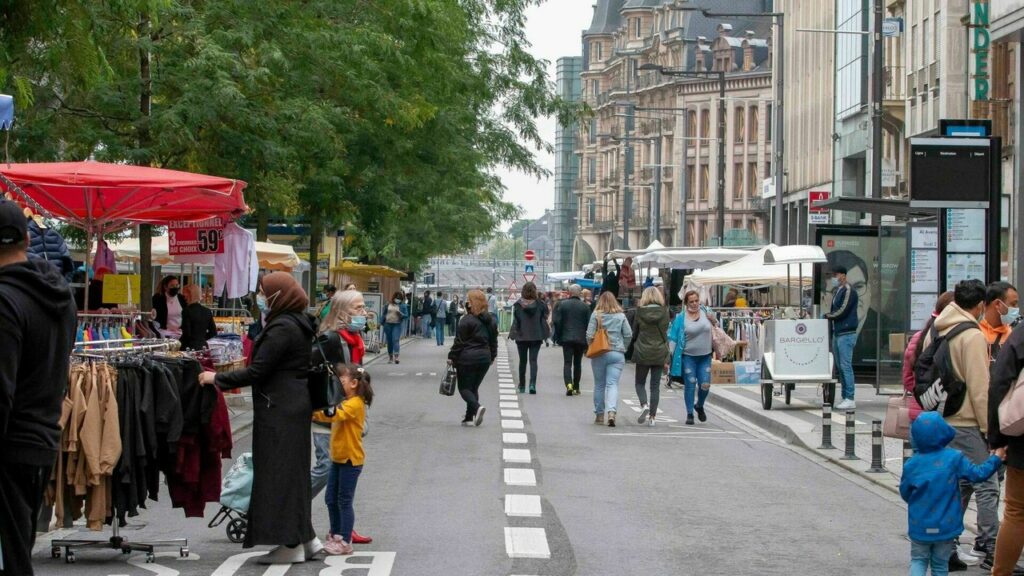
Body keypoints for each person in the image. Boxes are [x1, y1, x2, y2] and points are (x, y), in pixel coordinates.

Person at [197, 272, 320, 564]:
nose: (260, 297)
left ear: (279, 295)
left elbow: (258, 371)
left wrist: (216, 378)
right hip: (292, 406)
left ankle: (289, 544)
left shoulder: (282, 327)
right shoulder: (298, 322)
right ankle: (306, 538)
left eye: (265, 292)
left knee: (277, 475)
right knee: (293, 474)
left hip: (279, 409)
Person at [0, 201, 77, 576]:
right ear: (28, 239)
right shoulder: (59, 297)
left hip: (10, 446)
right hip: (41, 439)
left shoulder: (5, 301)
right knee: (18, 550)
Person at [921, 279, 999, 570]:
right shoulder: (973, 335)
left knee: (959, 485)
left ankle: (948, 548)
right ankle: (994, 550)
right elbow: (980, 387)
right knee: (987, 485)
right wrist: (988, 429)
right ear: (980, 306)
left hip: (941, 418)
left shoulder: (938, 328)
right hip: (967, 420)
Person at [900, 412, 1004, 576]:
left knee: (918, 560)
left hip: (919, 524)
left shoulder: (912, 464)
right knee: (940, 565)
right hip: (946, 525)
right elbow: (978, 474)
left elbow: (905, 492)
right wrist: (996, 459)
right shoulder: (954, 458)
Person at [311, 289, 372, 546]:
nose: (364, 312)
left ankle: (343, 529)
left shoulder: (354, 340)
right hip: (328, 414)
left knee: (339, 478)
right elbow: (312, 371)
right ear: (342, 312)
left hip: (346, 415)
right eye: (358, 308)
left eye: (363, 307)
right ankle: (293, 506)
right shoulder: (331, 339)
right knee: (327, 467)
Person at [313, 364, 374, 556]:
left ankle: (345, 540)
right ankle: (335, 534)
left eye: (343, 381)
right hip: (339, 458)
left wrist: (311, 412)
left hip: (350, 460)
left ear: (354, 383)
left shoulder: (354, 404)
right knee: (331, 499)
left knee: (344, 501)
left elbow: (333, 414)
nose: (339, 384)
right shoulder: (347, 400)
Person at [988, 313, 1024, 575]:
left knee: (1016, 511)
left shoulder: (1021, 335)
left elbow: (999, 382)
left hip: (1023, 440)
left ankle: (1001, 572)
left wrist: (998, 438)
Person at [448, 289, 499, 426]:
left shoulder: (466, 320)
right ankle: (469, 416)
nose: (466, 303)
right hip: (484, 358)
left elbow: (459, 342)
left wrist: (452, 356)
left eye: (468, 301)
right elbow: (493, 341)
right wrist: (492, 355)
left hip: (467, 358)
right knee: (474, 387)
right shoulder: (491, 321)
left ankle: (477, 408)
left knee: (464, 388)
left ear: (471, 303)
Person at [902, 292, 954, 422]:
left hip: (918, 411)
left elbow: (907, 378)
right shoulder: (953, 339)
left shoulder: (918, 337)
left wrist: (921, 392)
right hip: (943, 413)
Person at [669, 290, 715, 426]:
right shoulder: (680, 318)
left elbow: (716, 325)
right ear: (686, 303)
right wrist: (670, 357)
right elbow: (673, 337)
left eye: (696, 300)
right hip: (688, 356)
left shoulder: (706, 311)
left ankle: (699, 405)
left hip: (705, 356)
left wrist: (714, 320)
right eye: (691, 301)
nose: (695, 304)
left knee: (705, 384)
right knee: (690, 383)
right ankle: (689, 413)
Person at [587, 291, 631, 426]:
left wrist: (592, 346)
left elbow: (589, 335)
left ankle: (599, 415)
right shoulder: (621, 316)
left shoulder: (596, 315)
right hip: (617, 353)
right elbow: (628, 334)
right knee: (612, 384)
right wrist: (623, 347)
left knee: (599, 384)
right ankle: (611, 412)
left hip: (599, 353)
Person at [632, 287, 670, 426]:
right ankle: (653, 418)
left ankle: (644, 405)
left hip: (642, 350)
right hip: (659, 351)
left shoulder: (640, 312)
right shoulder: (664, 312)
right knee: (655, 386)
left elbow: (634, 332)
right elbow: (665, 332)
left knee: (639, 382)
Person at [825, 264, 859, 410]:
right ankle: (845, 396)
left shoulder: (849, 290)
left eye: (836, 275)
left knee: (845, 365)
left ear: (843, 276)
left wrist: (829, 316)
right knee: (840, 366)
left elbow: (843, 310)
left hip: (846, 333)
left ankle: (850, 397)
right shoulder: (838, 290)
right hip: (838, 333)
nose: (834, 278)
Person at [510, 281, 549, 394]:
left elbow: (516, 319)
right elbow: (545, 316)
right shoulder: (541, 304)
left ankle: (522, 386)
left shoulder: (518, 304)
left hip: (521, 336)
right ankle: (532, 385)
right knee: (533, 361)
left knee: (522, 361)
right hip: (536, 336)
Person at [553, 284, 590, 396]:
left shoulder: (563, 305)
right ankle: (576, 387)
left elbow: (557, 322)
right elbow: (589, 324)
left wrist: (558, 336)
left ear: (569, 293)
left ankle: (568, 384)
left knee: (567, 363)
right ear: (579, 293)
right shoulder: (585, 307)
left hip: (566, 338)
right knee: (578, 363)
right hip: (580, 339)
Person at [980, 281, 1019, 360]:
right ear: (998, 304)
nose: (1017, 308)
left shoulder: (1013, 334)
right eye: (1013, 304)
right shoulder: (976, 332)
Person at [179, 283, 217, 351]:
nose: (183, 298)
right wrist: (201, 338)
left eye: (184, 296)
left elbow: (187, 333)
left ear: (189, 295)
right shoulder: (207, 311)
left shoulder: (186, 311)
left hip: (189, 347)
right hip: (202, 346)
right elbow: (213, 332)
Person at [384, 291, 408, 364]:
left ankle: (396, 357)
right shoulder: (388, 304)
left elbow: (406, 315)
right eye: (397, 298)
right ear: (393, 297)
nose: (398, 299)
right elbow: (384, 314)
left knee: (395, 339)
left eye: (399, 298)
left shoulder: (403, 306)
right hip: (388, 324)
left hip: (397, 324)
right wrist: (380, 322)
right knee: (389, 341)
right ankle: (390, 357)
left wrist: (401, 314)